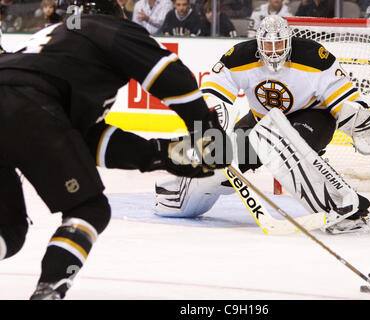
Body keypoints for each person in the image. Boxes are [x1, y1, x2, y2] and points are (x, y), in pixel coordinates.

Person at [0, 0, 230, 300]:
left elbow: (84, 138)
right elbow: (167, 72)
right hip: (28, 104)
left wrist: (161, 154)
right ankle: (49, 292)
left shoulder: (55, 46)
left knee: (10, 231)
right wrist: (205, 130)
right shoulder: (105, 26)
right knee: (88, 209)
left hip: (19, 100)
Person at [154, 16, 370, 235]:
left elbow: (343, 100)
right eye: (268, 45)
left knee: (283, 146)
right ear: (258, 43)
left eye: (279, 44)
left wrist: (359, 118)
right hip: (261, 121)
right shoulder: (239, 57)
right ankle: (179, 197)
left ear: (289, 41)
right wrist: (212, 128)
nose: (273, 52)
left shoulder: (314, 57)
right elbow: (214, 93)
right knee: (218, 168)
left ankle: (344, 210)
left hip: (313, 117)